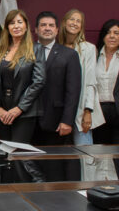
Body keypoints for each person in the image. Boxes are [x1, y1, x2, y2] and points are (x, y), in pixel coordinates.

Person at [33, 11, 81, 182]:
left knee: (55, 168)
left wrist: (67, 120)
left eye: (51, 25)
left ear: (57, 29)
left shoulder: (69, 55)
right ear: (36, 29)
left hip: (56, 121)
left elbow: (73, 91)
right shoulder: (26, 52)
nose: (47, 28)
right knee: (32, 167)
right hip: (29, 120)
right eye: (43, 25)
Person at [0, 10, 44, 143]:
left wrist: (19, 108)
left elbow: (39, 81)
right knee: (4, 153)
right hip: (3, 112)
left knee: (18, 153)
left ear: (26, 26)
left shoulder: (36, 48)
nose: (16, 26)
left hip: (24, 112)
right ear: (7, 27)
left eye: (20, 22)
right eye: (12, 23)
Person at [58, 9, 102, 146]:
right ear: (64, 23)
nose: (74, 23)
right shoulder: (55, 47)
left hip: (80, 110)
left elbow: (90, 82)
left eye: (78, 21)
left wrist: (88, 111)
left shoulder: (88, 49)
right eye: (72, 19)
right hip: (58, 109)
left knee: (86, 155)